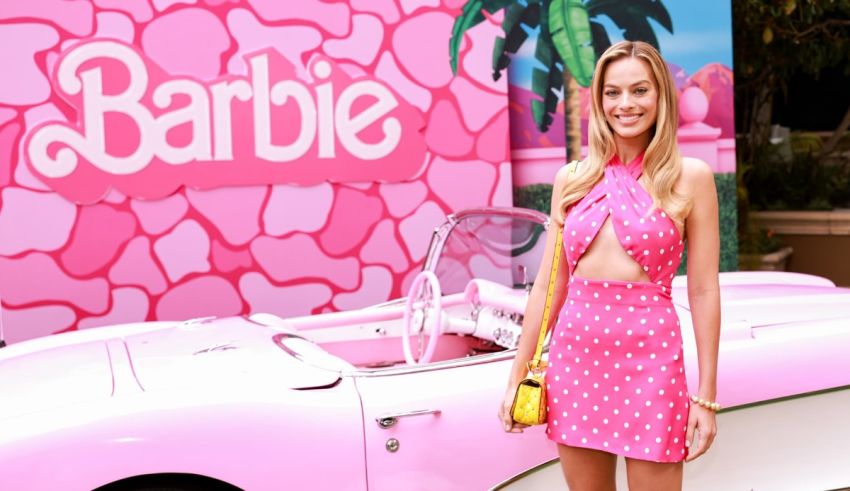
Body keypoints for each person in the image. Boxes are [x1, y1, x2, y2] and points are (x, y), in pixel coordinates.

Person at [498, 40, 720, 490]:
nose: (626, 104)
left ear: (660, 96)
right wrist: (517, 376)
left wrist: (707, 398)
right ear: (598, 101)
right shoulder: (572, 179)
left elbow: (703, 290)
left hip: (650, 359)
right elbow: (548, 287)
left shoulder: (691, 177)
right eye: (612, 92)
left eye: (639, 90)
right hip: (575, 359)